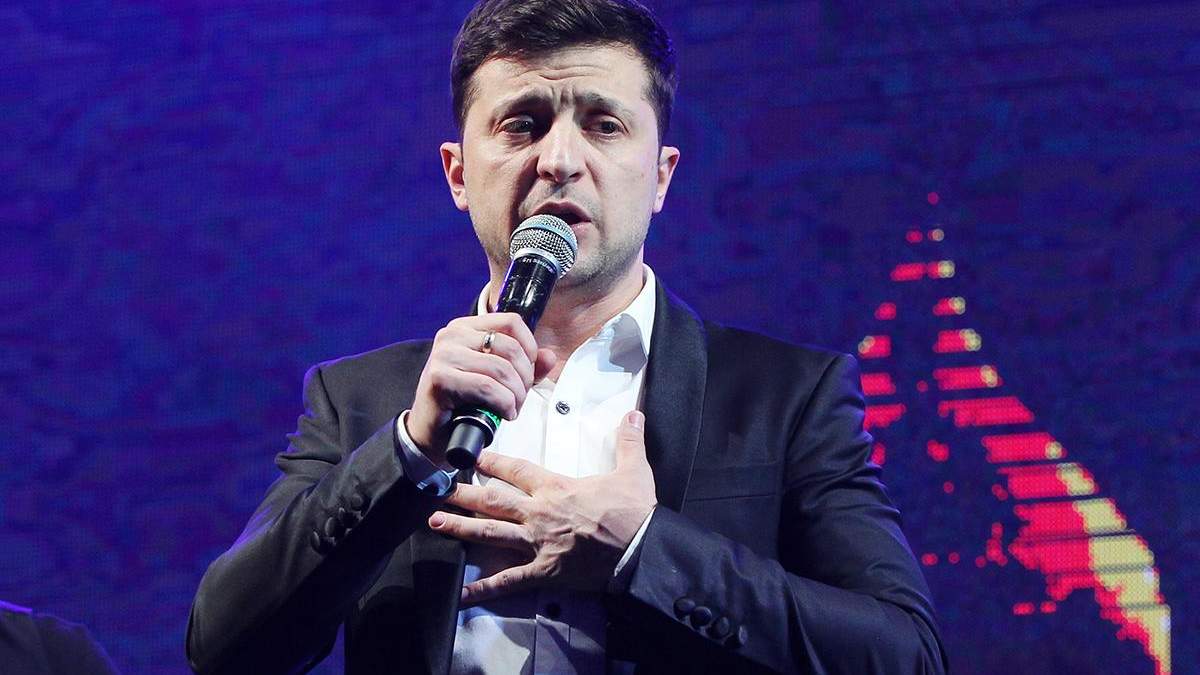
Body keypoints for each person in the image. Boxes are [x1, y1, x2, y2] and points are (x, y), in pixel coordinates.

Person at [186, 1, 947, 673]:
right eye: (521, 124)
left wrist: (641, 552)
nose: (558, 160)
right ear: (458, 174)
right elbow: (225, 646)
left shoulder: (786, 396)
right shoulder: (362, 399)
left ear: (661, 176)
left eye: (603, 125)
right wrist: (409, 451)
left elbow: (905, 655)